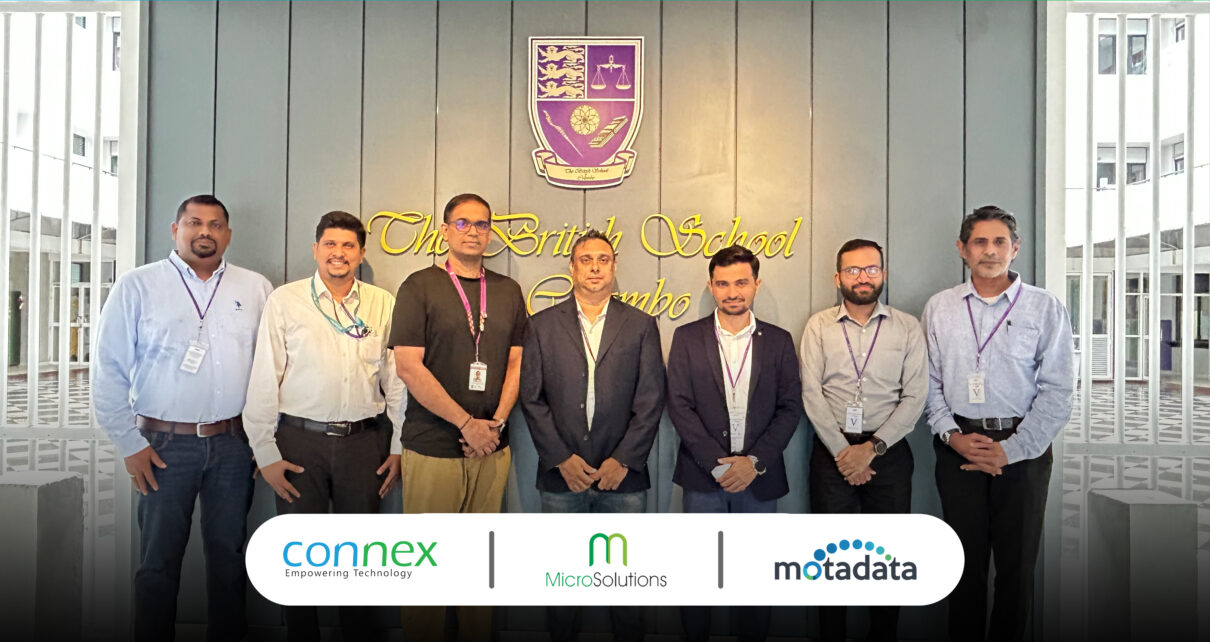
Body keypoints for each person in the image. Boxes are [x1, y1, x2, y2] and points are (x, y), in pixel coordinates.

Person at [92, 195, 272, 642]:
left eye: (215, 224)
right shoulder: (137, 286)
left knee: (230, 559)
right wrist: (130, 445)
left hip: (234, 445)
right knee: (158, 562)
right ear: (176, 230)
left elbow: (271, 370)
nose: (204, 231)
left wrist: (262, 441)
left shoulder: (255, 288)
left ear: (228, 234)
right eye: (194, 222)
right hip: (161, 446)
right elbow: (108, 370)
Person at [243, 210, 405, 642]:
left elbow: (396, 382)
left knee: (358, 558)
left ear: (361, 253)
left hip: (364, 443)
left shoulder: (382, 303)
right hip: (299, 443)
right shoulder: (286, 300)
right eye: (330, 244)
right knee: (300, 557)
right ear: (315, 249)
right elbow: (264, 378)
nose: (339, 253)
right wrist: (265, 453)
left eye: (348, 245)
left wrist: (398, 446)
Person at [922, 206, 1073, 642]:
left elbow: (1059, 389)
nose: (990, 251)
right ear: (962, 249)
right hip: (958, 445)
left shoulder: (1044, 307)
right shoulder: (940, 307)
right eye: (980, 242)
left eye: (999, 242)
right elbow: (927, 382)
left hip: (1022, 449)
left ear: (1015, 248)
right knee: (962, 566)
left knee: (1016, 569)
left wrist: (1011, 449)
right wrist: (952, 436)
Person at [391, 193, 529, 641]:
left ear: (491, 232)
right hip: (433, 447)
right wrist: (467, 425)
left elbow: (516, 363)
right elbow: (408, 366)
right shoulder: (419, 286)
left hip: (492, 448)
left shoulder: (508, 291)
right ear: (446, 230)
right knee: (427, 570)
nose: (473, 231)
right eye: (463, 223)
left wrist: (495, 425)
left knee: (477, 569)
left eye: (482, 224)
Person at [520, 229, 665, 642]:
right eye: (586, 260)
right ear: (572, 267)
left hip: (623, 478)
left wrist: (624, 460)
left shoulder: (640, 325)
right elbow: (531, 399)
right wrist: (560, 459)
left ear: (614, 267)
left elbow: (651, 399)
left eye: (603, 259)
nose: (595, 267)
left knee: (626, 587)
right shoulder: (541, 325)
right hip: (562, 477)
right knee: (563, 586)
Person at [666, 244, 804, 642]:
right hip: (703, 477)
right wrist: (717, 463)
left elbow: (790, 407)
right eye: (723, 283)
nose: (732, 292)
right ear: (711, 286)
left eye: (741, 282)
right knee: (699, 578)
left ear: (756, 284)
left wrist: (754, 462)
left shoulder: (779, 340)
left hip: (758, 479)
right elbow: (679, 405)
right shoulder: (687, 337)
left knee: (754, 580)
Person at [800, 239, 927, 642]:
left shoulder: (907, 327)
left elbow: (916, 396)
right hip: (831, 453)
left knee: (886, 559)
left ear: (883, 274)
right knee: (830, 559)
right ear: (837, 277)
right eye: (853, 270)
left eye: (871, 269)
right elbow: (811, 393)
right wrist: (844, 453)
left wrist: (870, 450)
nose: (862, 278)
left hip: (888, 453)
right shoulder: (819, 326)